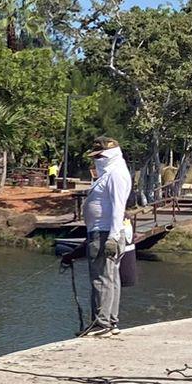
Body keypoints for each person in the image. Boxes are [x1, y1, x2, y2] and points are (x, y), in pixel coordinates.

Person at [61, 137, 132, 337]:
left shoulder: (116, 174)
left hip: (105, 233)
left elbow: (119, 207)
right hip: (100, 232)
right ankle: (108, 322)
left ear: (109, 155)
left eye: (100, 156)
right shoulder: (108, 174)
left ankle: (102, 324)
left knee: (102, 278)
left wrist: (112, 236)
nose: (96, 160)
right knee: (109, 277)